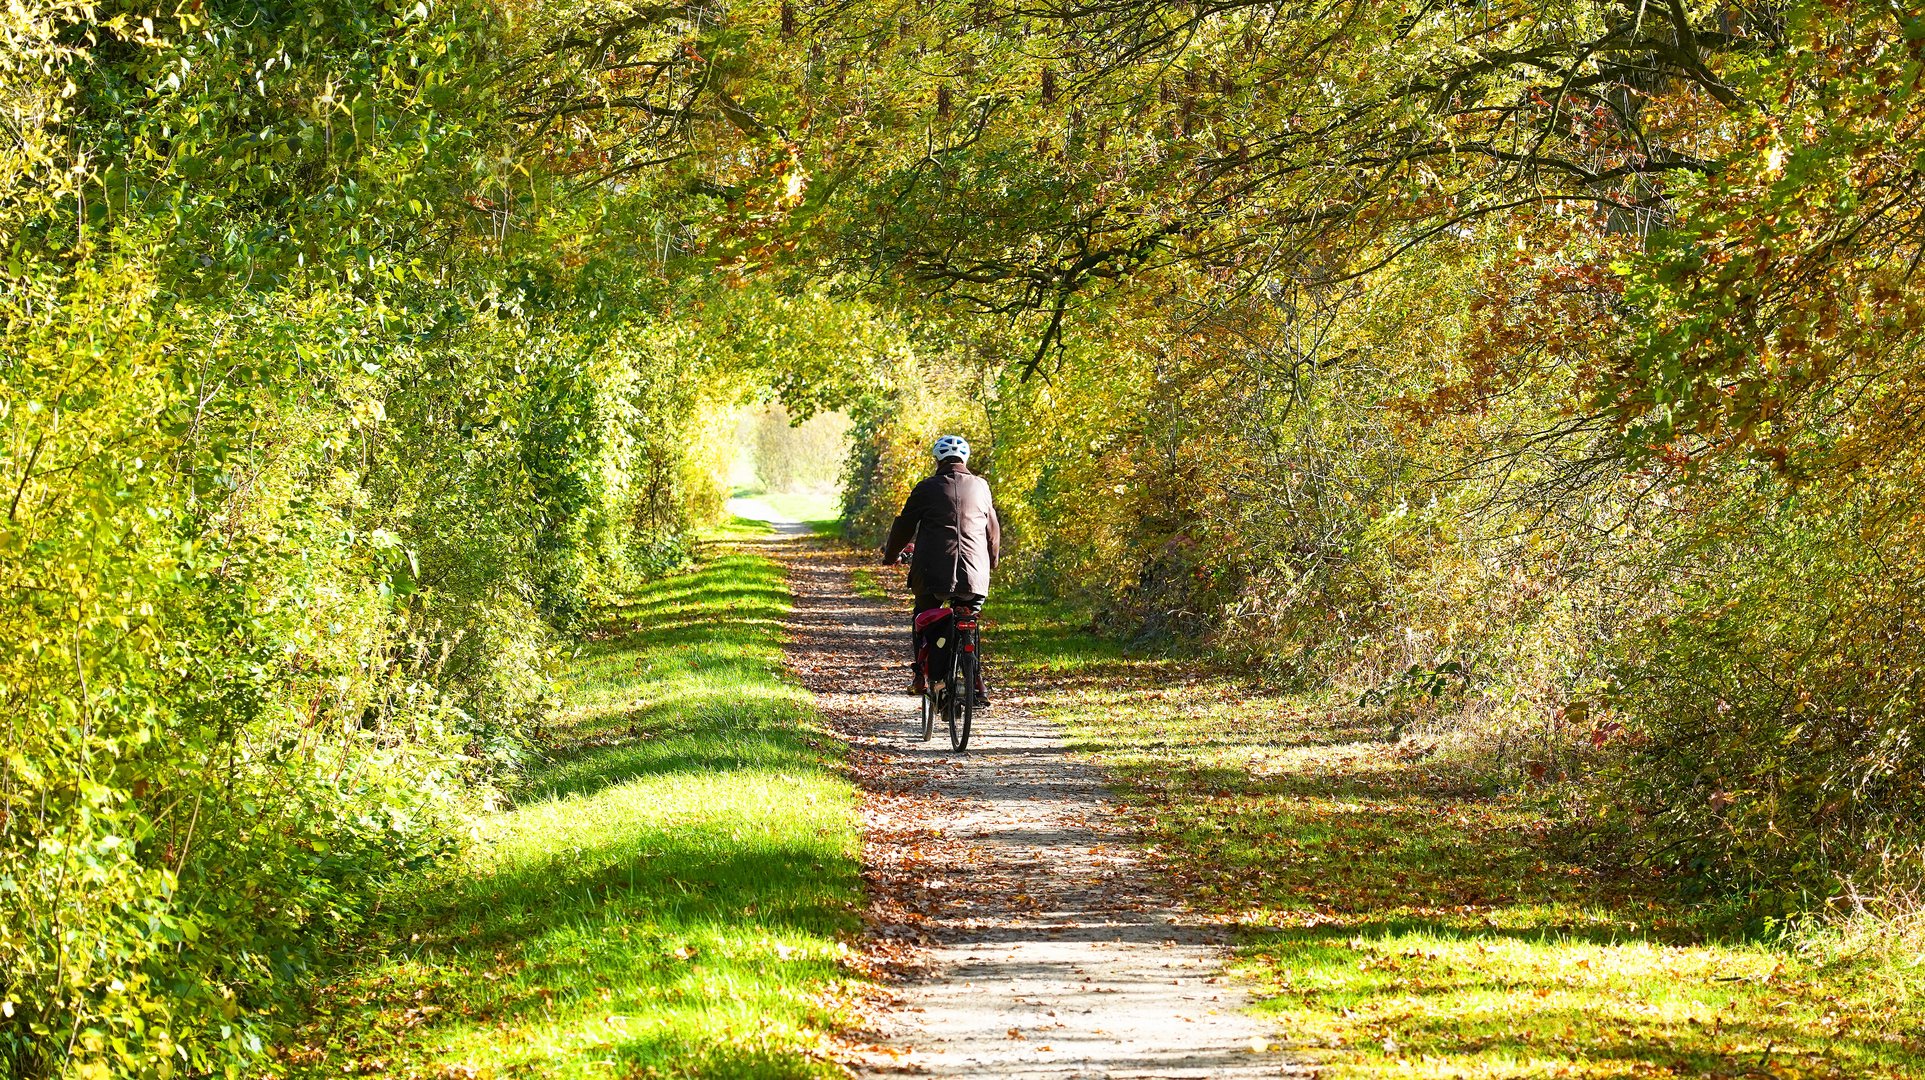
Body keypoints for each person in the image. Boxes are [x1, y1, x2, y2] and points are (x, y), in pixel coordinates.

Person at [882, 434, 1000, 702]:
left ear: (937, 460)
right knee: (968, 619)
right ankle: (977, 681)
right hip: (975, 576)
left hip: (932, 575)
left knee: (922, 618)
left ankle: (920, 676)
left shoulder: (926, 487)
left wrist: (890, 555)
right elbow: (992, 529)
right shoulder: (982, 487)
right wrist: (991, 561)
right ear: (965, 459)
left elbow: (904, 525)